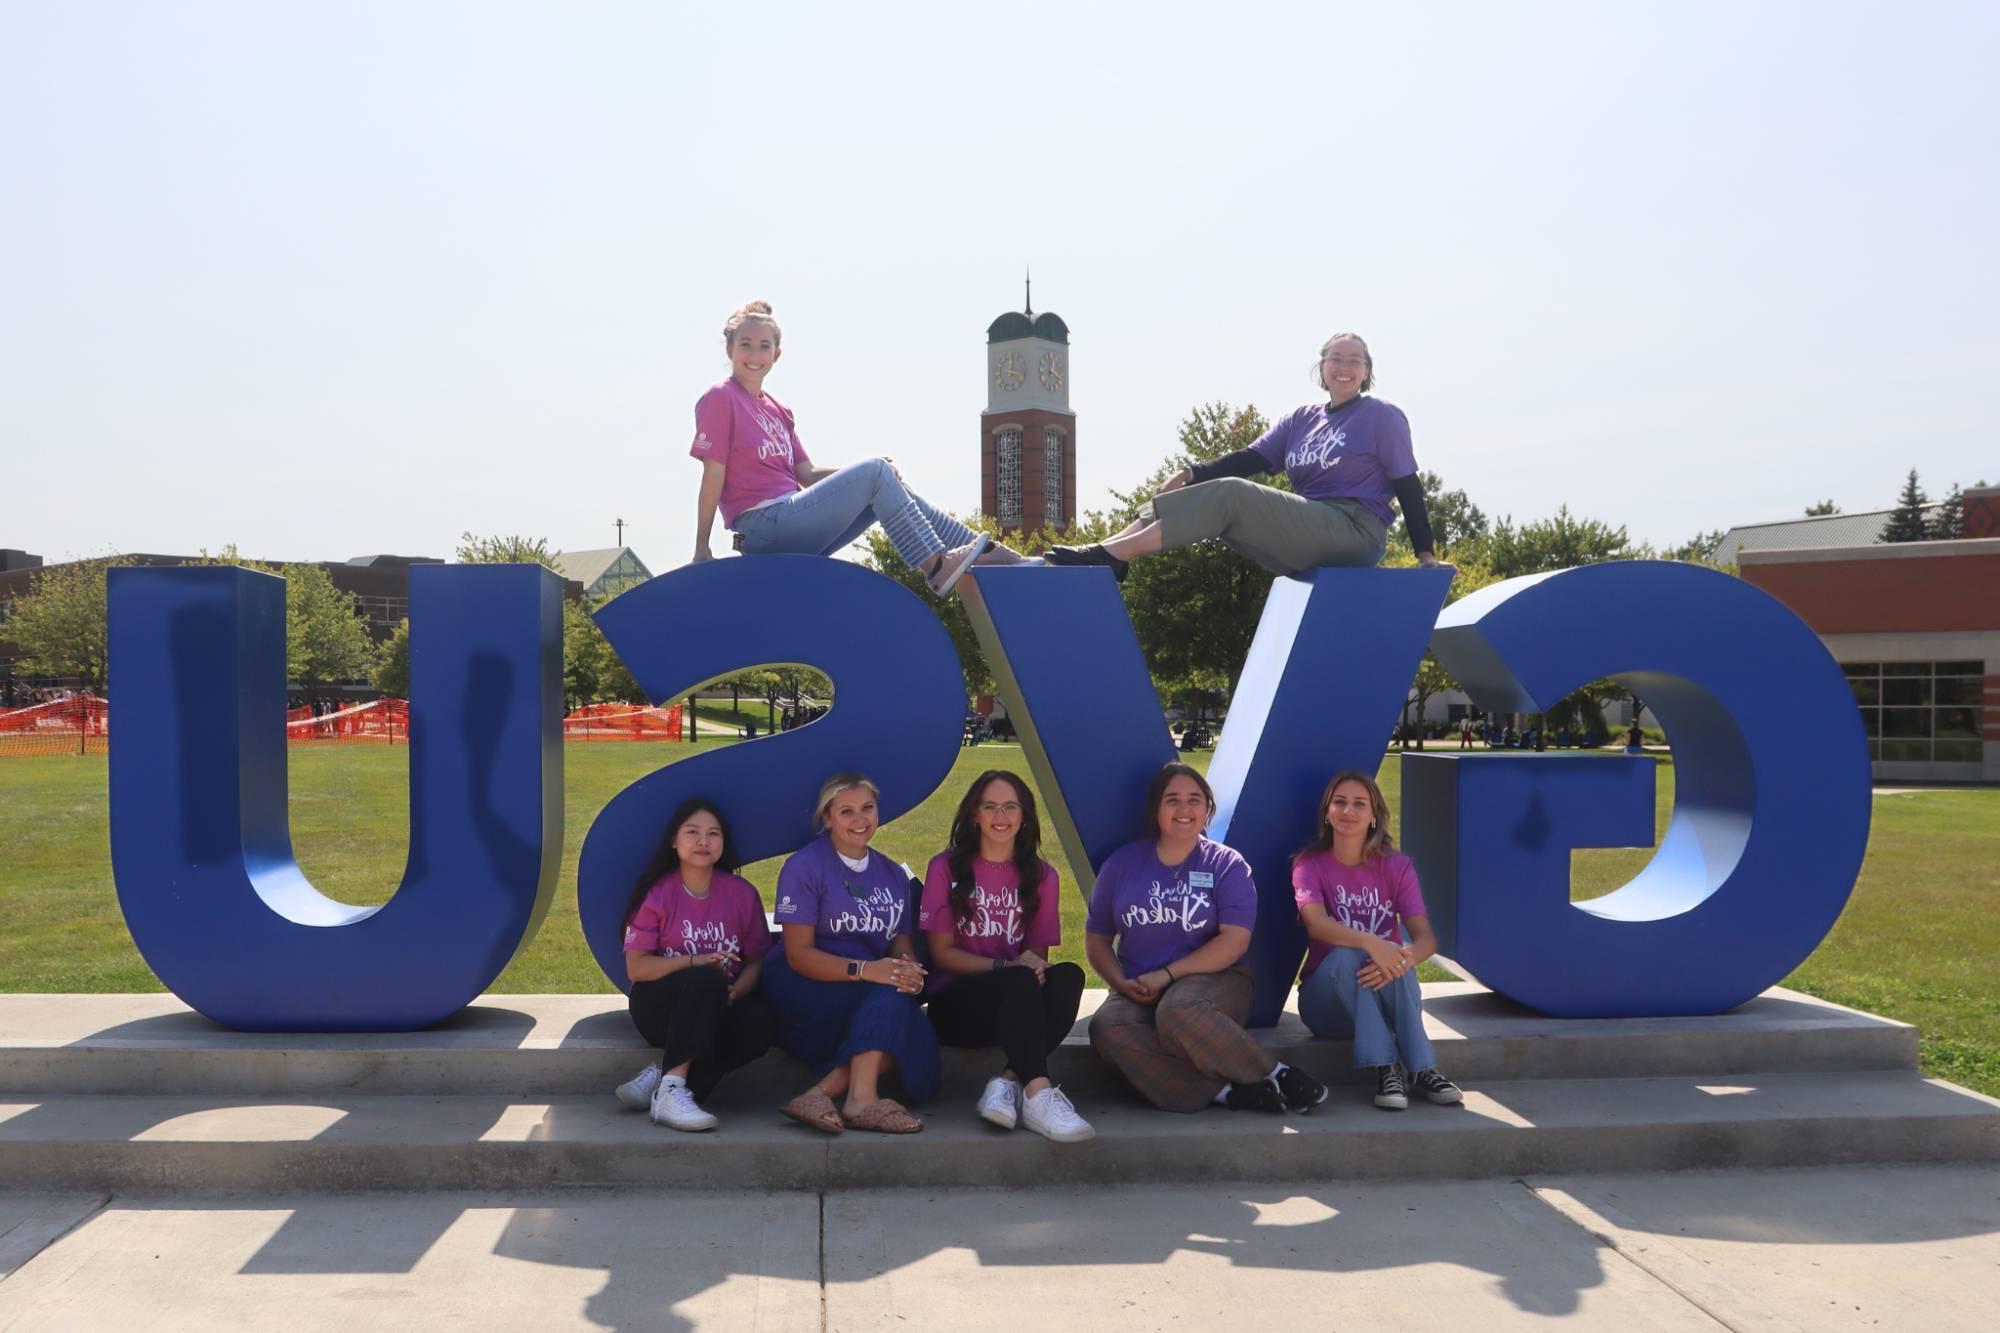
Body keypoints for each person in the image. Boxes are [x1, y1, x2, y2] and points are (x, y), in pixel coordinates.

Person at [1045, 333, 1452, 581]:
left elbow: (1408, 486)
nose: (1344, 367)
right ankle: (1100, 554)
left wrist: (1426, 557)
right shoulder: (1300, 420)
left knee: (1232, 496)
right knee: (1200, 499)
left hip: (1354, 531)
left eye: (1354, 360)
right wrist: (1189, 473)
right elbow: (1249, 458)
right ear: (1321, 367)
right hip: (1308, 529)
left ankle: (1117, 557)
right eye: (1335, 358)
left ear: (1366, 371)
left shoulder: (1381, 415)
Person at [689, 300, 1026, 595]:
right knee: (875, 472)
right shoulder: (721, 398)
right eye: (745, 344)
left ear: (776, 354)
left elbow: (806, 474)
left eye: (763, 346)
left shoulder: (778, 410)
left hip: (791, 519)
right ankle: (936, 567)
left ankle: (981, 554)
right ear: (729, 349)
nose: (754, 354)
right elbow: (713, 474)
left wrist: (875, 473)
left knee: (886, 480)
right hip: (762, 527)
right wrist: (701, 547)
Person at [1085, 762, 1328, 1115]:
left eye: (1194, 800)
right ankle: (1227, 1092)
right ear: (1156, 809)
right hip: (1139, 985)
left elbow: (1234, 942)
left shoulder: (1226, 864)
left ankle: (1279, 1074)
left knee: (1178, 1008)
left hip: (1218, 981)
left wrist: (1168, 975)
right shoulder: (1122, 865)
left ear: (1207, 809)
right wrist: (1120, 983)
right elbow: (1096, 939)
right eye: (1172, 800)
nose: (1184, 810)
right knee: (1107, 1027)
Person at [761, 773, 940, 1134]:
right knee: (902, 1020)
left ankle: (825, 1093)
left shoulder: (892, 875)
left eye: (867, 808)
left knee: (900, 1007)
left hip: (867, 987)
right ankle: (860, 1100)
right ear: (827, 818)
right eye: (846, 811)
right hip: (806, 984)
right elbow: (799, 955)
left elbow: (902, 947)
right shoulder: (804, 867)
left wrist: (907, 971)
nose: (860, 820)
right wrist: (868, 970)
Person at [921, 771, 1095, 1143]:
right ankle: (1040, 1095)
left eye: (1010, 806)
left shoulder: (1043, 876)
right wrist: (1004, 966)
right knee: (1018, 977)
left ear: (1025, 815)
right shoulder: (945, 867)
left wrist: (1021, 968)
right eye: (990, 806)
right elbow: (940, 954)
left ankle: (1008, 1082)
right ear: (974, 815)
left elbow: (1038, 959)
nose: (1001, 816)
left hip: (1015, 1007)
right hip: (956, 1005)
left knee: (1068, 976)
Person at [1292, 771, 1462, 1111]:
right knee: (1345, 955)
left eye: (1359, 804)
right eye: (1339, 802)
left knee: (1398, 956)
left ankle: (1415, 1069)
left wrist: (1403, 958)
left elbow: (1425, 938)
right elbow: (1316, 924)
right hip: (1326, 1007)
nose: (1348, 811)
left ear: (1374, 816)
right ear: (1327, 812)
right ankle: (1392, 1065)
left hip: (1383, 995)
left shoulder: (1396, 866)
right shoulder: (1309, 864)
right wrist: (1373, 944)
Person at [613, 798, 778, 1131]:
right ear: (674, 840)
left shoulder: (742, 894)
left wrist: (733, 992)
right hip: (659, 1008)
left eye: (713, 834)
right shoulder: (658, 893)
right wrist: (694, 962)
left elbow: (758, 959)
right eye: (692, 832)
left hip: (720, 1003)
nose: (703, 841)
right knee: (704, 978)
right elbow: (637, 969)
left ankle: (662, 1079)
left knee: (761, 1025)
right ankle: (673, 1091)